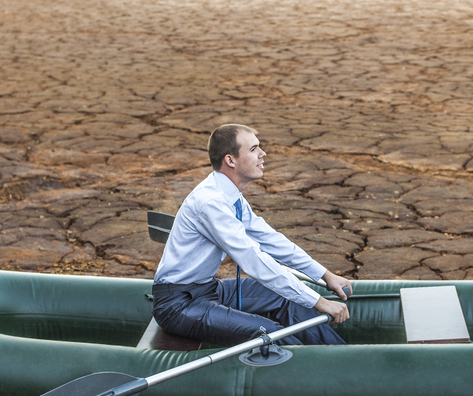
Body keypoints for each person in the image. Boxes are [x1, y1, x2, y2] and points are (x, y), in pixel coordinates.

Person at [151, 124, 352, 347]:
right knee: (271, 333)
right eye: (254, 148)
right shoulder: (211, 202)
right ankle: (322, 372)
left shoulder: (230, 196)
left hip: (209, 289)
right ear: (231, 160)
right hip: (179, 305)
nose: (262, 153)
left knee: (286, 297)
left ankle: (341, 357)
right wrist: (319, 301)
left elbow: (270, 240)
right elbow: (253, 259)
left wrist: (324, 274)